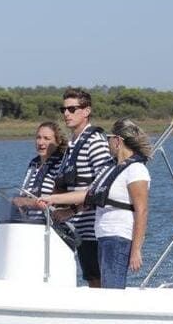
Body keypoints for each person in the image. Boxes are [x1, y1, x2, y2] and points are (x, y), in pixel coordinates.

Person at [39, 117, 151, 289]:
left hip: (118, 235)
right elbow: (89, 195)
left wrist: (136, 250)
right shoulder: (111, 168)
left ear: (118, 141)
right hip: (103, 235)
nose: (106, 142)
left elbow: (141, 211)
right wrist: (53, 199)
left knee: (112, 287)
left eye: (109, 138)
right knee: (104, 284)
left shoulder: (136, 170)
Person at [51, 88, 114, 287]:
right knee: (91, 279)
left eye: (72, 109)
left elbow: (104, 186)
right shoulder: (72, 146)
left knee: (98, 281)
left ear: (86, 111)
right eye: (63, 109)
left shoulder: (94, 142)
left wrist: (72, 210)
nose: (66, 114)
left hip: (95, 228)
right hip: (78, 229)